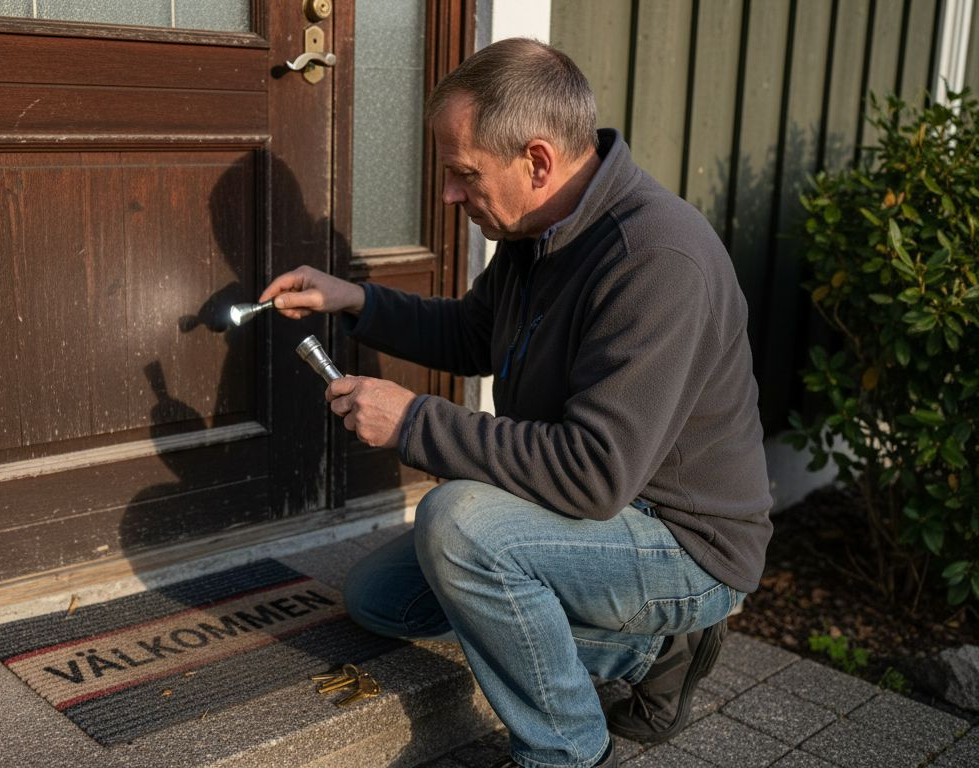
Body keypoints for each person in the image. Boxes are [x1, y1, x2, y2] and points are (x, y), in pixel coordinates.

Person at [258, 38, 772, 768]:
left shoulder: (656, 261)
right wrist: (355, 300)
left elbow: (593, 475)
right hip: (599, 513)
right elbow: (475, 334)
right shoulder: (541, 231)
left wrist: (411, 422)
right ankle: (643, 652)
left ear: (537, 161)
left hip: (683, 544)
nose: (448, 196)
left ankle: (567, 748)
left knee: (461, 526)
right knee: (380, 600)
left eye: (465, 175)